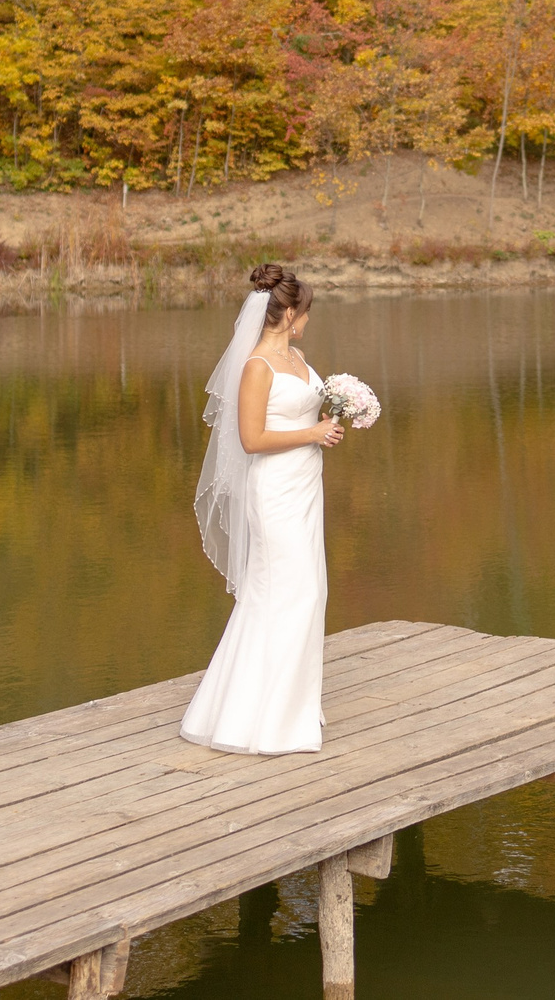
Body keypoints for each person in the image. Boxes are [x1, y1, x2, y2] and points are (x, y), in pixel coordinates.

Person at [180, 263, 344, 754]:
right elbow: (251, 439)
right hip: (273, 491)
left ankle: (290, 708)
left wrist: (339, 414)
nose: (308, 321)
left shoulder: (296, 357)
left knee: (309, 591)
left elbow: (303, 410)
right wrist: (313, 433)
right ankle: (265, 719)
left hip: (305, 487)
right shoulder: (256, 367)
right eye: (306, 313)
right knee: (289, 592)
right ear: (290, 312)